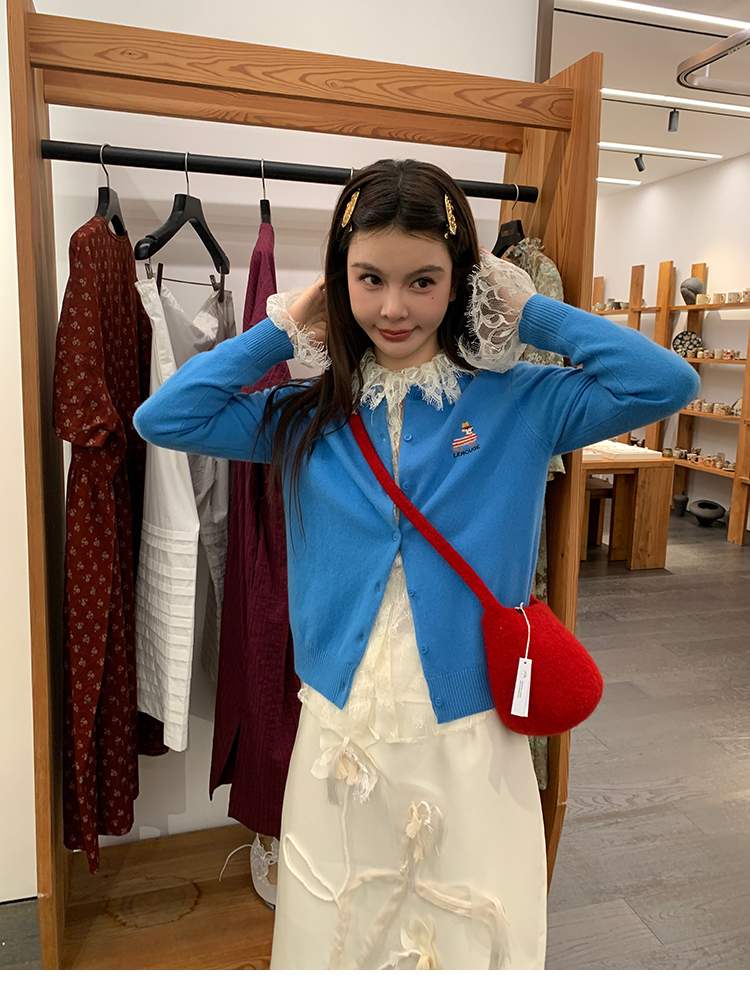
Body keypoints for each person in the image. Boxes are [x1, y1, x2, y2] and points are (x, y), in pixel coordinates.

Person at [134, 159, 699, 969]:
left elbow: (665, 381)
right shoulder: (303, 415)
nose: (394, 307)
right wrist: (288, 323)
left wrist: (529, 313)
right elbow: (167, 417)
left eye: (423, 281)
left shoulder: (520, 401)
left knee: (466, 930)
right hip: (341, 723)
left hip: (469, 725)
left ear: (460, 281)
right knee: (340, 929)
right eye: (369, 279)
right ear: (342, 281)